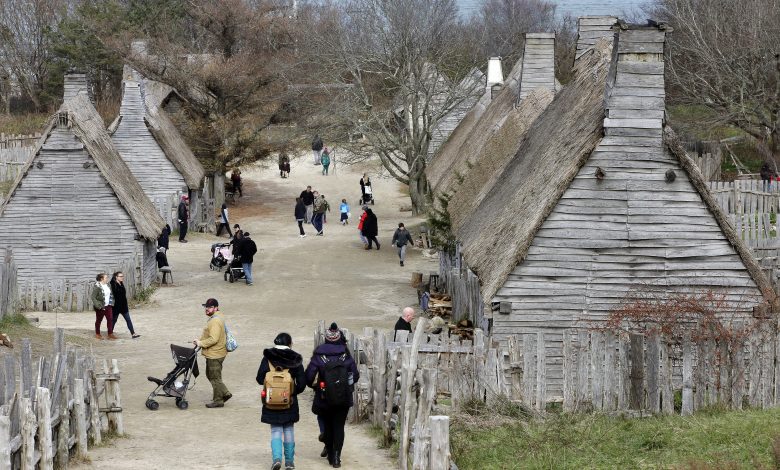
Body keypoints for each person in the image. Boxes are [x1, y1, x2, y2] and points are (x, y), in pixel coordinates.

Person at [305, 323, 359, 468]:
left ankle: (330, 454)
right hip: (343, 397)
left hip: (324, 396)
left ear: (327, 339)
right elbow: (356, 375)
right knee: (339, 427)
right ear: (339, 337)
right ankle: (336, 457)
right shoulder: (345, 354)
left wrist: (315, 387)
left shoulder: (319, 355)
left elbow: (309, 377)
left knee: (327, 427)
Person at [256, 333, 306, 470]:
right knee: (288, 429)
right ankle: (289, 462)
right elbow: (302, 383)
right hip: (289, 400)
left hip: (271, 400)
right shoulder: (295, 358)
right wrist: (292, 392)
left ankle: (277, 459)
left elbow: (260, 378)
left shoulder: (267, 358)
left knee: (275, 430)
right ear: (290, 343)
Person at [194, 298, 232, 408]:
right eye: (206, 306)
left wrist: (200, 343)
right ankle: (224, 394)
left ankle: (219, 399)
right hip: (217, 352)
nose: (207, 309)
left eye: (210, 307)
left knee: (215, 377)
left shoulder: (215, 321)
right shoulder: (218, 317)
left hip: (215, 354)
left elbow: (213, 339)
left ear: (216, 308)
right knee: (211, 375)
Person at [110, 272, 140, 338]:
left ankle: (133, 333)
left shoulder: (121, 283)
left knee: (128, 319)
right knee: (114, 321)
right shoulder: (112, 284)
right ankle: (110, 333)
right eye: (120, 276)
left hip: (123, 306)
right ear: (116, 277)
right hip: (116, 307)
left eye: (122, 276)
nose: (122, 277)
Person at [90, 273, 116, 340]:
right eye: (106, 278)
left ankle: (110, 334)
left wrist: (112, 302)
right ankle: (97, 334)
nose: (107, 279)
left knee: (110, 319)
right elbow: (93, 297)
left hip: (108, 306)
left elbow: (111, 294)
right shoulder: (97, 287)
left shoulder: (108, 285)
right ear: (102, 279)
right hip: (101, 307)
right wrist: (98, 305)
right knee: (99, 320)